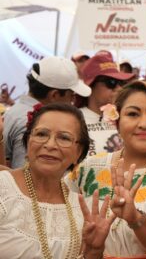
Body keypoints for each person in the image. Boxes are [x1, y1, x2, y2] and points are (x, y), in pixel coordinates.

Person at [66, 80, 146, 258]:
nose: (144, 124)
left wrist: (136, 219)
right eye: (133, 114)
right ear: (116, 120)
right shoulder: (86, 169)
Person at [0, 103, 91, 258]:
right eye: (41, 134)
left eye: (64, 138)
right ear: (28, 142)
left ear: (79, 152)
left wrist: (94, 252)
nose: (50, 145)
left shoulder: (81, 209)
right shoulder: (3, 189)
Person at [3, 56, 91, 168]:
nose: (73, 101)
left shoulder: (17, 111)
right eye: (72, 95)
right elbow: (28, 175)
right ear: (54, 95)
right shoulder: (30, 121)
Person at [75, 53, 134, 156]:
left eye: (121, 82)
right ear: (90, 85)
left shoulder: (126, 117)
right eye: (111, 82)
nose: (119, 88)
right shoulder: (75, 119)